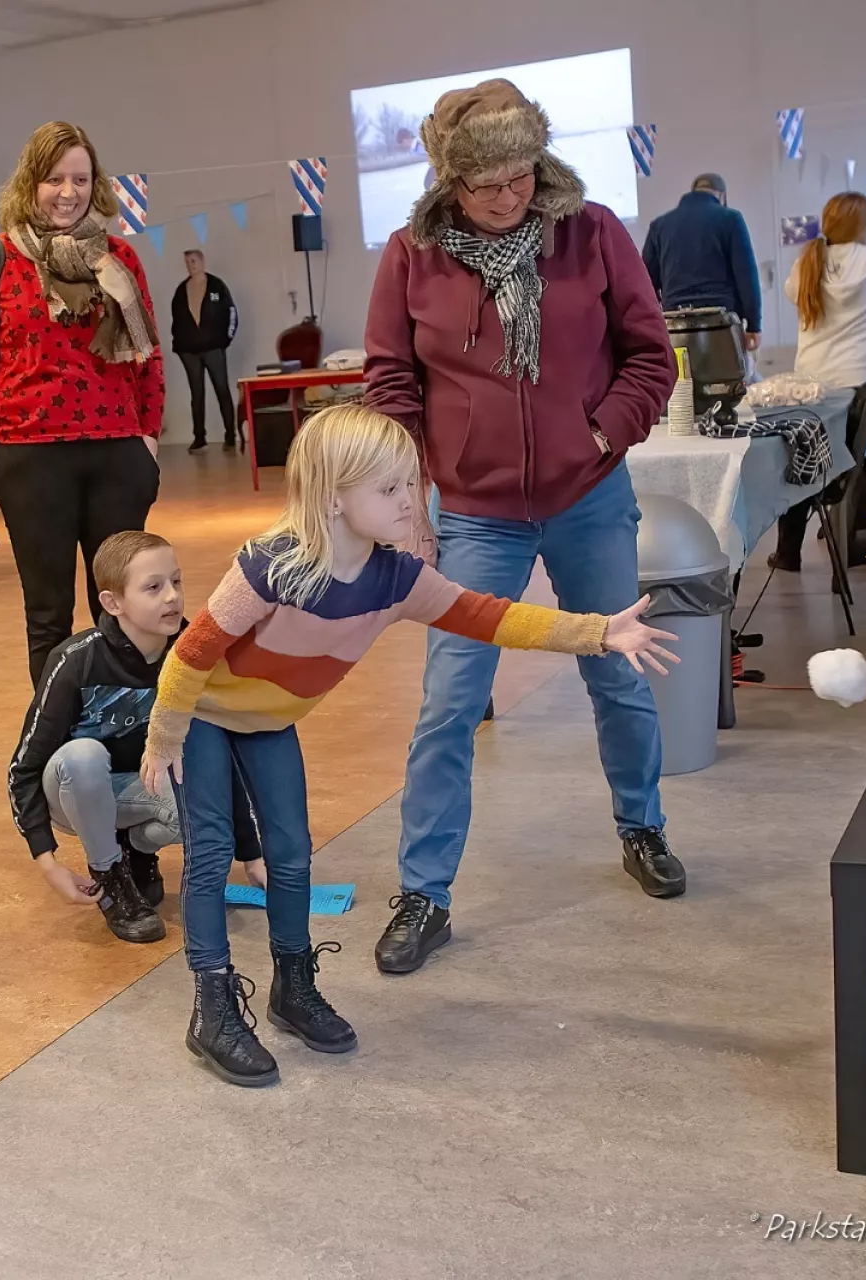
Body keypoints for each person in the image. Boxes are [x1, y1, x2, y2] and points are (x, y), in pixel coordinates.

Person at [142, 405, 677, 1087]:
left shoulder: (397, 580)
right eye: (388, 489)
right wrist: (165, 736)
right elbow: (190, 655)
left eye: (410, 484)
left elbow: (492, 616)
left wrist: (598, 632)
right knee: (212, 855)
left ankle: (292, 988)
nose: (410, 501)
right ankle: (212, 1008)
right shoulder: (269, 566)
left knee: (293, 854)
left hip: (270, 723)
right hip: (204, 718)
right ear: (335, 498)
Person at [363, 79, 682, 977]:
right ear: (447, 182)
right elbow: (390, 383)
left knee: (617, 671)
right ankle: (424, 893)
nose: (508, 199)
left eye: (520, 177)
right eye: (485, 185)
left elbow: (650, 356)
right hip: (474, 514)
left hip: (589, 499)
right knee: (450, 703)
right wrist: (412, 496)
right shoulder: (410, 257)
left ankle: (643, 827)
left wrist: (601, 430)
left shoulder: (593, 232)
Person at [0, 120, 166, 687]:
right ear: (31, 183)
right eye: (54, 179)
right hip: (32, 458)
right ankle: (60, 741)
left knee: (123, 612)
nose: (67, 192)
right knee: (47, 616)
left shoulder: (119, 256)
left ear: (95, 184)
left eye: (80, 178)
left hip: (116, 456)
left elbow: (148, 357)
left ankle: (126, 731)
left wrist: (148, 440)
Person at [7, 529, 265, 944]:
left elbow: (225, 752)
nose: (172, 597)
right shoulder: (75, 661)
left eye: (176, 582)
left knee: (205, 802)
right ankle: (111, 875)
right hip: (75, 791)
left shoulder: (192, 656)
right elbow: (24, 768)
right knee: (83, 755)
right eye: (153, 587)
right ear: (113, 603)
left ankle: (137, 852)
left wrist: (251, 854)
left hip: (141, 789)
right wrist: (48, 862)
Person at [770, 191, 866, 571]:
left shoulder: (806, 264)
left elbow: (792, 292)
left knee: (804, 460)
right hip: (860, 386)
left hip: (811, 386)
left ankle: (789, 552)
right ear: (863, 226)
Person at [640, 174, 763, 352]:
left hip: (675, 326)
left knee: (683, 380)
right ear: (721, 196)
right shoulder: (730, 219)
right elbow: (746, 275)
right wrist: (754, 325)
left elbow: (646, 281)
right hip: (721, 325)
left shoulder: (659, 226)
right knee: (729, 378)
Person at [168, 250, 239, 452]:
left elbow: (231, 313)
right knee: (196, 393)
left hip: (214, 347)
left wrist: (225, 340)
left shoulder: (217, 286)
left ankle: (230, 435)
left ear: (202, 261)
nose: (191, 265)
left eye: (194, 261)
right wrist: (179, 343)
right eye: (188, 262)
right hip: (189, 351)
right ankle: (199, 437)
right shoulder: (181, 290)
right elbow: (177, 320)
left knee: (222, 390)